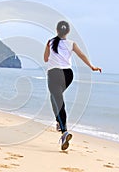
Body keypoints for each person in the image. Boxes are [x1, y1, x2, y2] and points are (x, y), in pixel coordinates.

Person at [44, 21, 101, 150]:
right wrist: (92, 66)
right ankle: (59, 123)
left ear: (56, 30)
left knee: (57, 100)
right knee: (57, 99)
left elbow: (45, 59)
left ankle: (64, 131)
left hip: (54, 73)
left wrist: (50, 51)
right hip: (68, 75)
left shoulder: (50, 42)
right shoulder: (71, 44)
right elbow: (81, 55)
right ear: (68, 32)